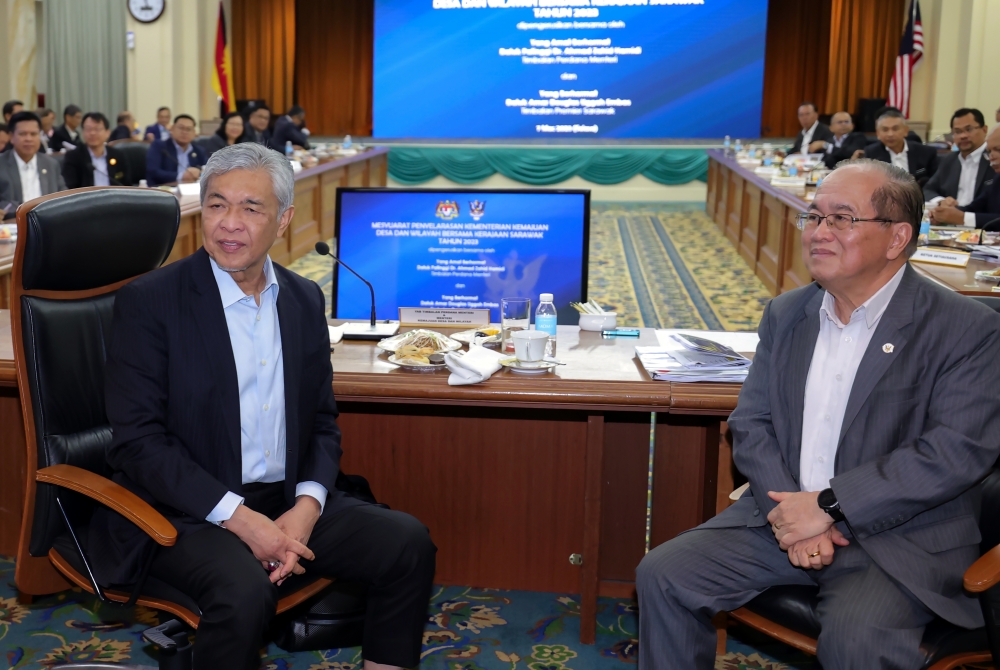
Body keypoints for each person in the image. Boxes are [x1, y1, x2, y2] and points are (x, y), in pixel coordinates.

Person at [636, 158, 1000, 669]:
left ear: (897, 238)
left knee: (858, 641)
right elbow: (752, 424)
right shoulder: (788, 313)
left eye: (842, 218)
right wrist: (793, 516)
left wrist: (827, 507)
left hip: (898, 538)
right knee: (664, 573)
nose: (819, 232)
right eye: (814, 217)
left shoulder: (967, 328)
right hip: (781, 519)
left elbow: (953, 454)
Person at [90, 142, 436, 670]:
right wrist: (243, 521)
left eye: (251, 208)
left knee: (406, 543)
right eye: (216, 205)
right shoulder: (152, 302)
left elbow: (321, 421)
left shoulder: (301, 299)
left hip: (284, 497)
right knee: (245, 589)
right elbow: (139, 444)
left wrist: (307, 506)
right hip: (190, 509)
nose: (229, 224)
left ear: (284, 220)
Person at [922, 109, 991, 222]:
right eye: (957, 132)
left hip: (983, 226)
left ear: (984, 129)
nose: (963, 136)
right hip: (950, 226)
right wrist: (941, 201)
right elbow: (927, 189)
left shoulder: (994, 159)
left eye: (969, 129)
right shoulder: (949, 160)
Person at [0, 111, 67, 219]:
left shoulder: (51, 164)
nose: (29, 139)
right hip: (11, 227)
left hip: (47, 226)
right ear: (11, 137)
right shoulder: (2, 164)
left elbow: (65, 198)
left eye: (33, 134)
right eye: (22, 134)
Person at [930, 126, 1000, 227]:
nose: (992, 156)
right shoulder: (998, 179)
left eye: (998, 149)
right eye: (989, 152)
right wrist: (943, 214)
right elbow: (974, 208)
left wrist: (963, 218)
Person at [863, 108, 938, 186]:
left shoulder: (927, 152)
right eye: (885, 130)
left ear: (906, 131)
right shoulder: (871, 154)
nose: (890, 134)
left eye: (895, 129)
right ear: (878, 133)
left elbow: (935, 183)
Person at [62, 112, 129, 189]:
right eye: (88, 129)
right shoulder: (73, 157)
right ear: (83, 132)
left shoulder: (118, 156)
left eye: (97, 129)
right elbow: (70, 188)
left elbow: (126, 186)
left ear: (107, 133)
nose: (92, 133)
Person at [145, 114, 206, 186]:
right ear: (172, 129)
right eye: (181, 128)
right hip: (165, 191)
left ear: (194, 133)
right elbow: (153, 172)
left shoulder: (199, 151)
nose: (184, 132)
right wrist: (181, 176)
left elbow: (207, 169)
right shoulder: (159, 146)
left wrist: (200, 172)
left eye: (188, 129)